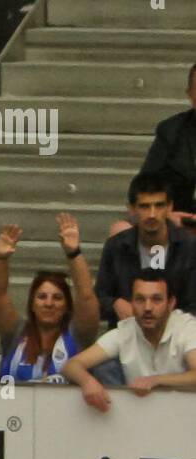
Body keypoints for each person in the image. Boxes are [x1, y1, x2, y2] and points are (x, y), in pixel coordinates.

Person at [62, 269, 196, 412]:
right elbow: (71, 365)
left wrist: (156, 380)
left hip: (184, 418)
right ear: (131, 302)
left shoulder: (187, 327)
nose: (148, 307)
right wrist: (87, 382)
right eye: (140, 299)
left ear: (171, 303)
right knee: (104, 369)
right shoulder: (124, 332)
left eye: (156, 299)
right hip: (136, 417)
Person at [0, 214, 99, 383]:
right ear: (32, 304)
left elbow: (86, 296)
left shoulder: (79, 335)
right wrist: (1, 259)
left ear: (67, 305)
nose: (49, 303)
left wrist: (74, 253)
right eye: (42, 297)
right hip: (9, 407)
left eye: (57, 298)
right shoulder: (16, 333)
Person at [95, 175, 196, 328]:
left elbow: (193, 306)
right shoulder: (116, 246)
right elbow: (99, 297)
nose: (152, 214)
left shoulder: (189, 246)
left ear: (170, 207)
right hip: (126, 336)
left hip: (177, 338)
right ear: (132, 209)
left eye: (159, 205)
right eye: (144, 206)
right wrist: (114, 303)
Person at [137, 63, 196, 219]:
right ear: (189, 94)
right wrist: (167, 216)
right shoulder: (171, 131)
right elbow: (143, 187)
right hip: (178, 222)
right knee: (121, 229)